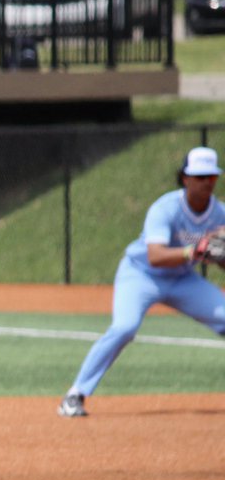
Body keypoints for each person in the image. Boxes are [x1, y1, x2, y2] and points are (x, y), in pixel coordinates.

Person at [58, 146, 225, 418]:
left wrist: (219, 254)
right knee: (124, 327)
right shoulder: (165, 208)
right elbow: (155, 255)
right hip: (141, 275)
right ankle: (75, 394)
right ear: (185, 178)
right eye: (200, 176)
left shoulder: (219, 215)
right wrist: (194, 251)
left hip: (183, 279)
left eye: (212, 177)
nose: (207, 182)